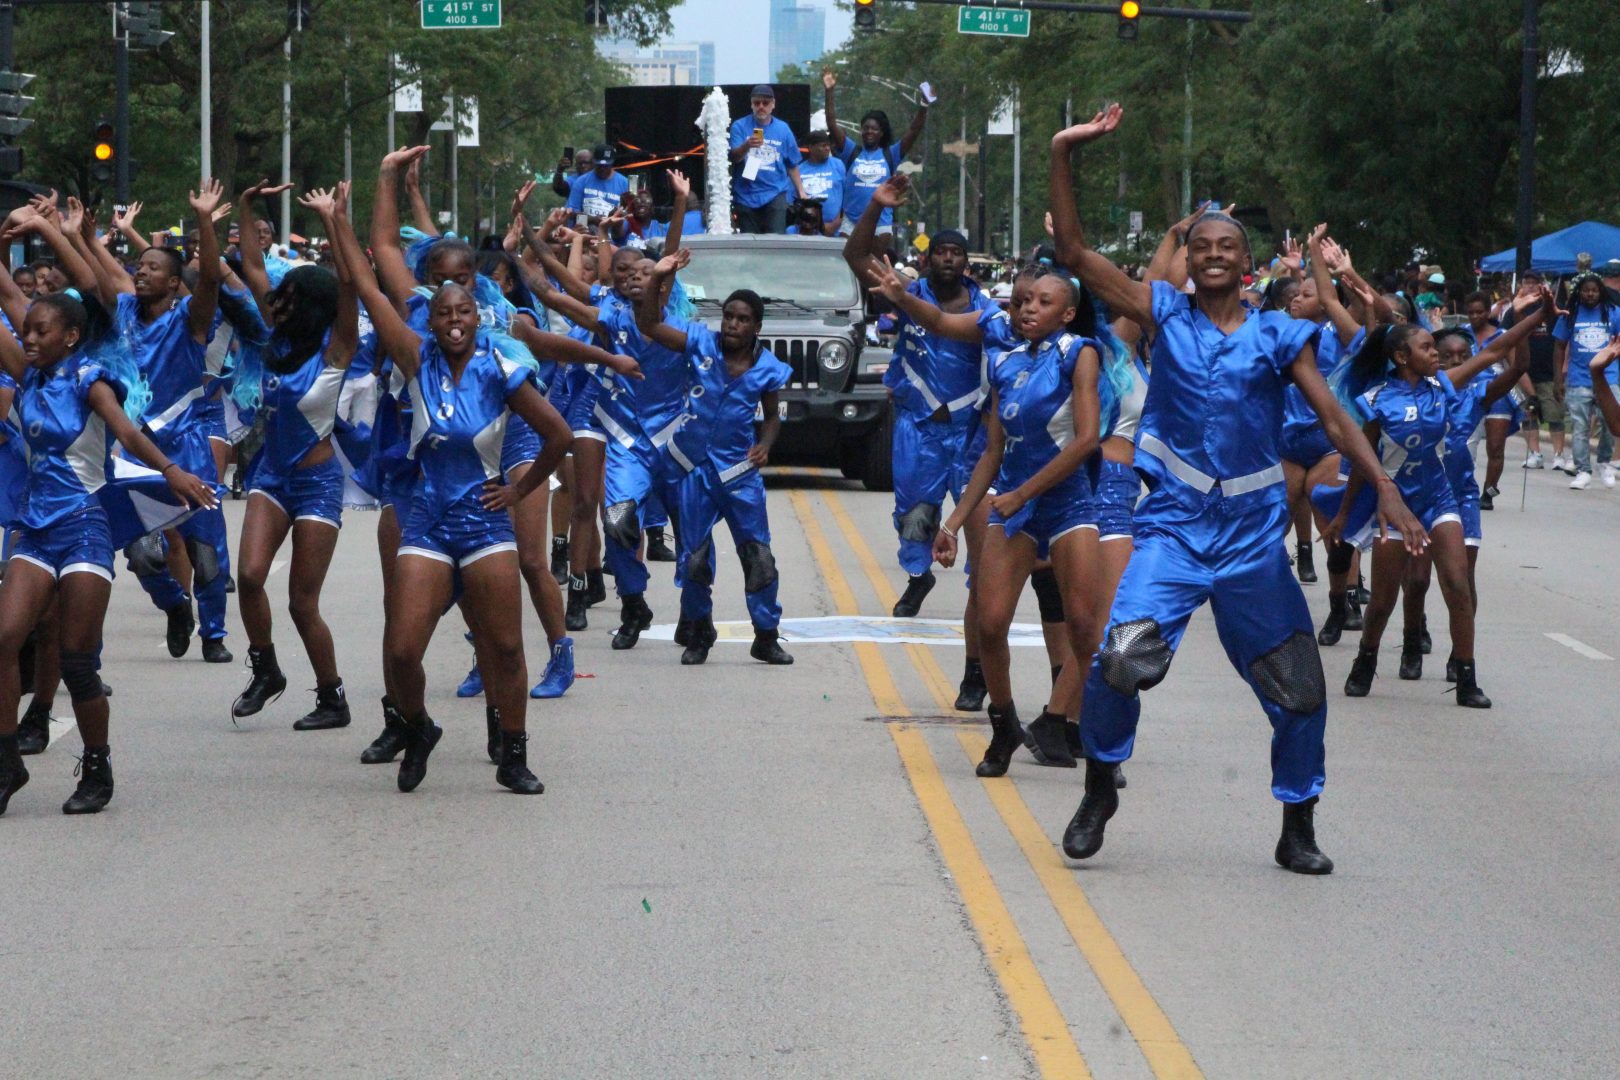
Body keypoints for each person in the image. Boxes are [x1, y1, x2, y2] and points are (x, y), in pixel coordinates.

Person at [1049, 105, 1423, 875]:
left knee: (1297, 689)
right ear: (1185, 257)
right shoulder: (1163, 313)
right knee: (1120, 660)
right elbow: (1076, 250)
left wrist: (1382, 485)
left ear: (1245, 264)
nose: (1213, 256)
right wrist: (1064, 150)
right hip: (1175, 528)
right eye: (1201, 245)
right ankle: (1099, 787)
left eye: (1228, 247)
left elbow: (1332, 412)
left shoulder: (1280, 335)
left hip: (1253, 537)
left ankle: (1297, 822)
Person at [330, 178, 573, 796]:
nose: (455, 322)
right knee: (405, 647)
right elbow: (367, 283)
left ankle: (513, 752)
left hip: (484, 520)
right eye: (444, 314)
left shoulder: (500, 365)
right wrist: (337, 222)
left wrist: (519, 494)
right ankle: (417, 727)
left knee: (505, 647)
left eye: (464, 311)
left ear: (477, 313)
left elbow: (558, 435)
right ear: (430, 320)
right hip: (428, 518)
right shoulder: (413, 356)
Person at [867, 256, 1114, 779]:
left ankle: (1069, 725)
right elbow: (991, 454)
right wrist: (953, 523)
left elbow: (1087, 440)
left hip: (1068, 504)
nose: (1028, 310)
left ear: (1067, 314)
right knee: (991, 620)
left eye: (1043, 303)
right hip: (1013, 505)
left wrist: (1021, 493)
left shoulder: (1081, 354)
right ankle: (1003, 722)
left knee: (1087, 630)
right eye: (1023, 301)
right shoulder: (1002, 361)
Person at [0, 284, 215, 817]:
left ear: (71, 337)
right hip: (35, 530)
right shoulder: (28, 378)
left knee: (77, 659)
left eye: (40, 330)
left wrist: (172, 471)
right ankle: (7, 763)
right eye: (25, 331)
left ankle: (97, 765)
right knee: (3, 639)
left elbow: (127, 431)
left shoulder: (89, 381)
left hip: (83, 527)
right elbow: (6, 298)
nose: (28, 338)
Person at [1334, 296, 1547, 707]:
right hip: (1397, 509)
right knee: (1381, 601)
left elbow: (1496, 351)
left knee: (1457, 584)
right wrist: (1345, 514)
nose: (1437, 355)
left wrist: (1538, 316)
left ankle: (1466, 677)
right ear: (1400, 357)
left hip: (1440, 499)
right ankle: (1366, 659)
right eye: (1427, 348)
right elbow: (1364, 464)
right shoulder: (1376, 400)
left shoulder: (1443, 387)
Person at [224, 183, 359, 730]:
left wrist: (333, 221)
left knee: (304, 603)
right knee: (251, 575)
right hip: (270, 475)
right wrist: (247, 206)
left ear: (312, 304)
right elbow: (254, 271)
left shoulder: (337, 345)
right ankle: (266, 670)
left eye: (290, 297)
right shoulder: (275, 341)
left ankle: (333, 697)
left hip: (317, 482)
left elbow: (351, 285)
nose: (277, 302)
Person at [92, 182, 236, 666]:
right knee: (142, 553)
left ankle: (214, 635)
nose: (142, 272)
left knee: (206, 550)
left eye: (154, 268)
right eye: (141, 266)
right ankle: (176, 605)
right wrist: (66, 232)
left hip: (190, 443)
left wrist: (204, 224)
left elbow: (211, 281)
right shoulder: (127, 308)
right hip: (136, 448)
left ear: (175, 283)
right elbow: (94, 269)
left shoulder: (191, 320)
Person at [843, 176, 994, 620]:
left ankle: (981, 593)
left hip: (970, 432)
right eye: (940, 253)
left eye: (956, 253)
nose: (947, 259)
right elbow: (854, 255)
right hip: (918, 426)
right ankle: (917, 577)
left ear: (966, 263)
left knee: (982, 521)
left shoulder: (987, 311)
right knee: (913, 516)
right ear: (927, 258)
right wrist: (875, 205)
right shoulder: (903, 292)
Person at [634, 248, 795, 666]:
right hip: (693, 470)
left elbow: (774, 416)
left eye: (743, 319)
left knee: (758, 556)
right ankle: (700, 632)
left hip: (739, 472)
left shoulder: (769, 368)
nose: (733, 325)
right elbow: (649, 323)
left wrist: (766, 444)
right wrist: (659, 277)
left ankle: (766, 634)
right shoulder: (700, 343)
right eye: (728, 317)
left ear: (757, 326)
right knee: (696, 558)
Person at [1394, 307, 1543, 685]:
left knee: (1461, 581)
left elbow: (1514, 364)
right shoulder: (1421, 395)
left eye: (1464, 356)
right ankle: (1412, 640)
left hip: (1460, 496)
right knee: (1416, 580)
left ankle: (1460, 655)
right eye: (1448, 357)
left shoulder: (1478, 392)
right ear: (1433, 360)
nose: (1458, 362)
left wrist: (1525, 329)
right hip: (1418, 494)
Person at [822, 69, 929, 243]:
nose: (869, 131)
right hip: (851, 223)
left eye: (874, 129)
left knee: (874, 268)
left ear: (881, 133)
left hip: (881, 223)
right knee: (847, 267)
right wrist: (829, 91)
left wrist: (924, 105)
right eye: (865, 128)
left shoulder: (891, 154)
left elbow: (914, 130)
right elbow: (831, 122)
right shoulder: (851, 151)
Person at [1552, 272, 1620, 489]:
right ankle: (1583, 470)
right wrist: (1557, 379)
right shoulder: (1569, 315)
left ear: (1601, 291)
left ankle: (1604, 462)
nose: (1590, 294)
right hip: (1578, 377)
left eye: (1594, 290)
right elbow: (1559, 346)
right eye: (1586, 290)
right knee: (1580, 426)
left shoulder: (1614, 313)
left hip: (1608, 377)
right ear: (1579, 293)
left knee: (1611, 423)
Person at [1503, 272, 1565, 471]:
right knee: (1528, 413)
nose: (1530, 286)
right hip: (1524, 371)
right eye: (1526, 282)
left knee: (1555, 415)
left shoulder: (1548, 307)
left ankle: (1559, 455)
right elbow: (1506, 339)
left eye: (1533, 283)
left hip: (1547, 371)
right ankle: (1534, 453)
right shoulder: (1513, 311)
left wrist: (1560, 374)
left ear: (1541, 285)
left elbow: (1560, 340)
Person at [728, 85, 806, 235]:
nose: (761, 107)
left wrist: (801, 191)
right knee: (750, 242)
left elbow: (792, 164)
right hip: (746, 195)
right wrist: (747, 145)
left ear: (773, 104)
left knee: (775, 241)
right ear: (751, 104)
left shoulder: (783, 129)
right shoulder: (739, 126)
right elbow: (735, 158)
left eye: (765, 103)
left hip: (775, 192)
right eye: (757, 103)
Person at [566, 144, 631, 227]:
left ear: (612, 163)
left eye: (606, 165)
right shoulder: (582, 181)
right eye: (599, 165)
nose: (602, 168)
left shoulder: (624, 183)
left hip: (612, 234)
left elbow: (628, 216)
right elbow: (571, 214)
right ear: (594, 162)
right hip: (586, 232)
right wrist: (592, 220)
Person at [797, 130, 845, 236]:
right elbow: (792, 201)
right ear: (811, 147)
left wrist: (837, 222)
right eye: (823, 146)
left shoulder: (838, 165)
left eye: (828, 145)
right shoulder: (800, 170)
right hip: (808, 230)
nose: (827, 148)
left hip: (835, 228)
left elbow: (848, 196)